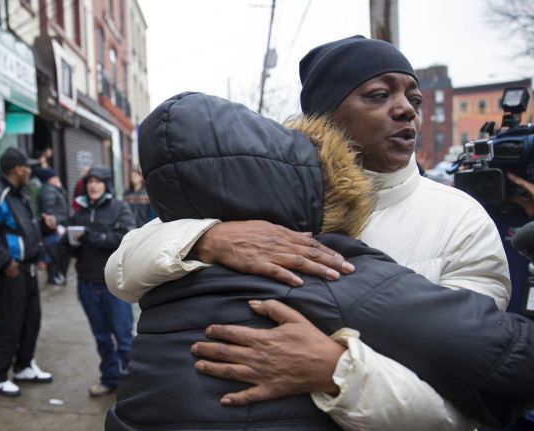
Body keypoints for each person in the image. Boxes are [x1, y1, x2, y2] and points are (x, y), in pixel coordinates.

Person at [105, 35, 511, 430]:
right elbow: (121, 272)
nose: (407, 110)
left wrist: (339, 373)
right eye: (378, 95)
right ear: (323, 116)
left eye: (415, 99)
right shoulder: (268, 190)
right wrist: (207, 239)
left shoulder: (462, 220)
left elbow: (472, 401)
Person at [0, 147, 52, 397]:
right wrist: (5, 262)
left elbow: (22, 230)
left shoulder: (20, 193)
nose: (30, 171)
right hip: (9, 272)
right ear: (18, 169)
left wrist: (43, 229)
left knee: (31, 320)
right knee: (8, 323)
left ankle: (24, 366)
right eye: (27, 167)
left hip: (27, 269)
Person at [68, 166, 136, 397]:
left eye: (97, 181)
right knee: (101, 338)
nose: (93, 185)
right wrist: (67, 242)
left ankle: (134, 386)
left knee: (124, 338)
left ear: (106, 184)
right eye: (90, 181)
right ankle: (110, 379)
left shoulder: (119, 208)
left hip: (114, 285)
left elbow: (127, 237)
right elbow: (74, 249)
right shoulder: (78, 212)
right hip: (87, 284)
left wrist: (98, 237)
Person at [37, 168, 69, 285]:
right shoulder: (48, 191)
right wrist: (57, 225)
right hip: (53, 230)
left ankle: (56, 276)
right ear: (49, 179)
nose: (58, 179)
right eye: (55, 177)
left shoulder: (53, 189)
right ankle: (54, 277)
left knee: (56, 254)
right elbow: (48, 213)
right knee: (54, 254)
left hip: (57, 227)